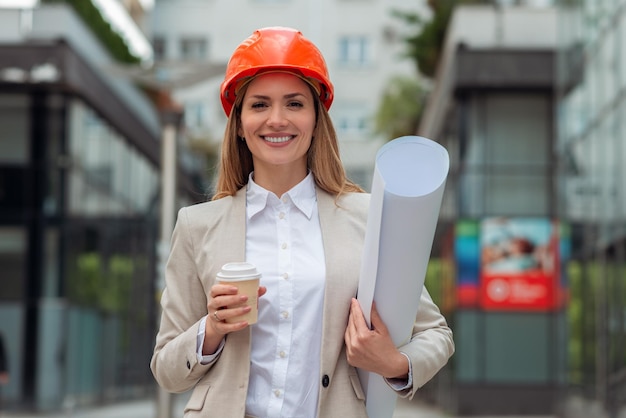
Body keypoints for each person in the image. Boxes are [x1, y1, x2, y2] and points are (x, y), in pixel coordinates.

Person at [150, 26, 454, 418]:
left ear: (315, 118)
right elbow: (166, 370)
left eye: (294, 104)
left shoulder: (365, 215)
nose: (277, 120)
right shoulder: (197, 226)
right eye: (259, 105)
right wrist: (211, 329)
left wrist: (394, 364)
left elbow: (436, 334)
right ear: (239, 123)